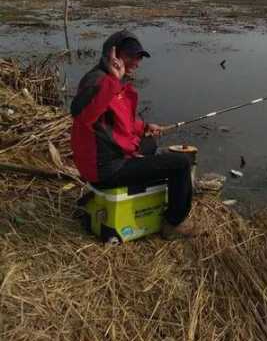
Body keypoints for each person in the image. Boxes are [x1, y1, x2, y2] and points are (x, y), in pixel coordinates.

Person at [71, 29, 195, 240]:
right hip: (106, 170)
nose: (136, 62)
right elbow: (81, 115)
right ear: (112, 55)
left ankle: (146, 169)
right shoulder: (98, 82)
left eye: (138, 57)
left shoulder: (108, 80)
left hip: (110, 159)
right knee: (181, 163)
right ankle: (174, 224)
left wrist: (145, 127)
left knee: (149, 141)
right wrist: (113, 79)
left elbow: (119, 122)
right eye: (131, 56)